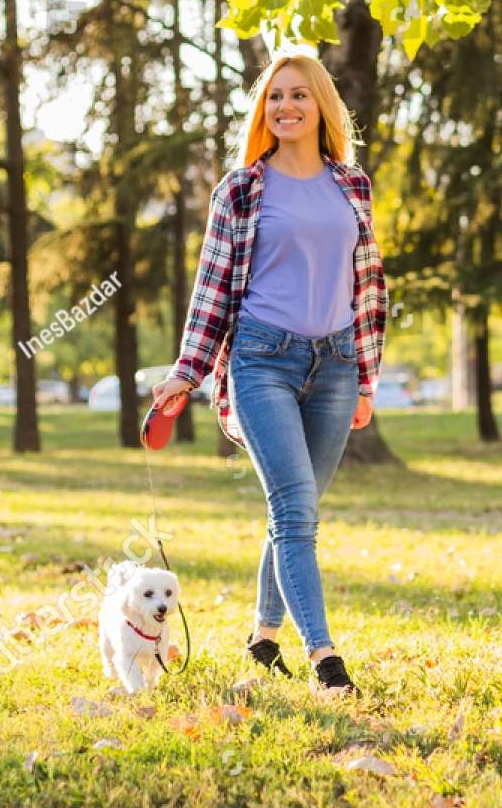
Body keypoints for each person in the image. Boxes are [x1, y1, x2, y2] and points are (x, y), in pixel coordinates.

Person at [149, 52, 389, 697]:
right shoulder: (242, 188)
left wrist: (365, 377)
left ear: (321, 106)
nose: (286, 107)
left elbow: (368, 284)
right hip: (261, 360)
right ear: (264, 110)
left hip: (336, 365)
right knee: (294, 510)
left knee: (296, 511)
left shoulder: (352, 184)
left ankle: (262, 640)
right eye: (274, 97)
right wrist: (188, 370)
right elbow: (214, 288)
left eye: (298, 96)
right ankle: (325, 658)